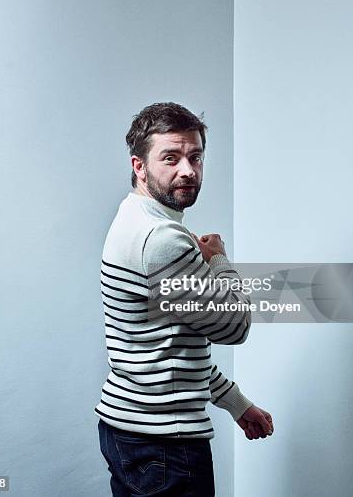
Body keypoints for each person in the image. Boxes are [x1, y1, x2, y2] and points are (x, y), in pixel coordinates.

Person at [96, 102, 273, 496]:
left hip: (131, 431)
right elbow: (235, 325)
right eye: (170, 158)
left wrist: (238, 404)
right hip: (165, 445)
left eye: (195, 157)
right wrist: (219, 260)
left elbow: (171, 350)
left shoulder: (131, 216)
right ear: (139, 165)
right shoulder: (162, 239)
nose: (187, 170)